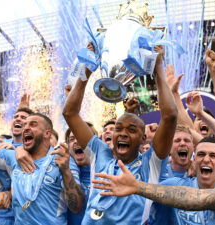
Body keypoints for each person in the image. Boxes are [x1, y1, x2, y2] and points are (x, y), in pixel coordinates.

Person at [63, 45, 178, 224]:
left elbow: (170, 116)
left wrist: (157, 67)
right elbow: (69, 113)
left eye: (132, 130)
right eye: (118, 128)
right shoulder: (100, 152)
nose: (123, 133)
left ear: (143, 138)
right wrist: (87, 67)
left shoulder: (151, 163)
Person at [65, 122, 97, 225]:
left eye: (81, 137)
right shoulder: (61, 170)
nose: (76, 141)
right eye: (71, 139)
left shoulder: (109, 169)